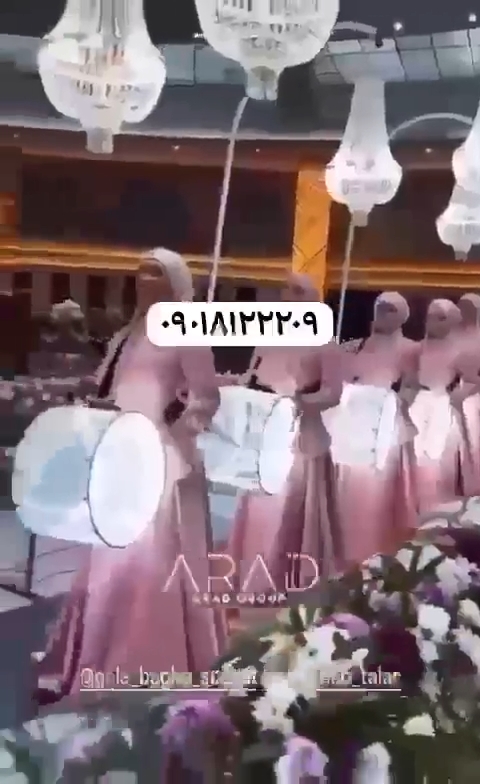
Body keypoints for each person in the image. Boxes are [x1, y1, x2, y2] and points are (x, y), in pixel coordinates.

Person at [33, 248, 226, 707]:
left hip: (162, 458)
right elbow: (114, 388)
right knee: (110, 556)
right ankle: (96, 655)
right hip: (120, 453)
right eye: (140, 271)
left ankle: (146, 661)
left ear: (174, 280)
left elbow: (206, 399)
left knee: (152, 557)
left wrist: (172, 431)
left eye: (154, 272)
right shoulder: (127, 334)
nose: (143, 279)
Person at [228, 273, 344, 597]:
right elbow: (251, 377)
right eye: (286, 290)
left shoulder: (326, 344)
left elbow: (333, 393)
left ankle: (289, 579)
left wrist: (296, 403)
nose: (289, 297)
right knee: (259, 505)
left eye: (298, 291)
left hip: (301, 436)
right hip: (264, 434)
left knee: (289, 508)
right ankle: (252, 576)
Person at [334, 292, 419, 566]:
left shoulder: (412, 351)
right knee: (340, 499)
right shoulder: (353, 347)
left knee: (371, 501)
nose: (383, 314)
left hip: (384, 435)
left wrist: (383, 403)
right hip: (345, 434)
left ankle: (369, 559)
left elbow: (410, 391)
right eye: (380, 308)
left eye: (391, 310)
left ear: (403, 316)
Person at [409, 298, 479, 511]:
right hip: (417, 405)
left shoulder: (459, 350)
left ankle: (440, 506)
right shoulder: (418, 348)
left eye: (440, 318)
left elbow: (472, 380)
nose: (433, 322)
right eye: (430, 317)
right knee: (414, 458)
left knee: (439, 460)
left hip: (444, 407)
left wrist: (457, 396)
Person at [456, 293, 480, 496]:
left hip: (475, 394)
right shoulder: (453, 337)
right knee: (462, 445)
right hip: (458, 396)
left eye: (469, 307)